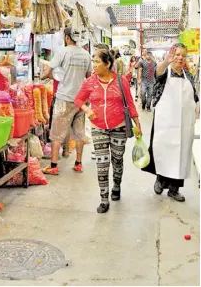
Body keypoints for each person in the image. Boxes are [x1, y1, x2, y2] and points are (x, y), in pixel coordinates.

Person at [75, 48, 142, 214]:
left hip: (119, 126)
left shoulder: (121, 81)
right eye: (94, 62)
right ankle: (104, 199)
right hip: (98, 128)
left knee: (117, 160)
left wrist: (137, 123)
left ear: (108, 64)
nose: (94, 65)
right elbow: (78, 99)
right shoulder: (90, 82)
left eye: (98, 62)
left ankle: (117, 185)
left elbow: (131, 104)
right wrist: (86, 109)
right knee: (102, 164)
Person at [142, 44, 198, 202]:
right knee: (163, 151)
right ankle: (160, 179)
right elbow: (157, 73)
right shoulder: (165, 71)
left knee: (181, 154)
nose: (180, 58)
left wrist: (197, 106)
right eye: (177, 54)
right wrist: (166, 62)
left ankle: (174, 189)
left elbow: (193, 95)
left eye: (183, 55)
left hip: (184, 124)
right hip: (165, 122)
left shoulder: (188, 75)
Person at [41, 27, 92, 175]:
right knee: (79, 133)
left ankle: (53, 166)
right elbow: (89, 77)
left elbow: (47, 73)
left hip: (64, 98)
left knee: (57, 133)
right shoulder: (86, 54)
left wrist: (48, 77)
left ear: (67, 37)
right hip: (81, 100)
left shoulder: (62, 52)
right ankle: (78, 164)